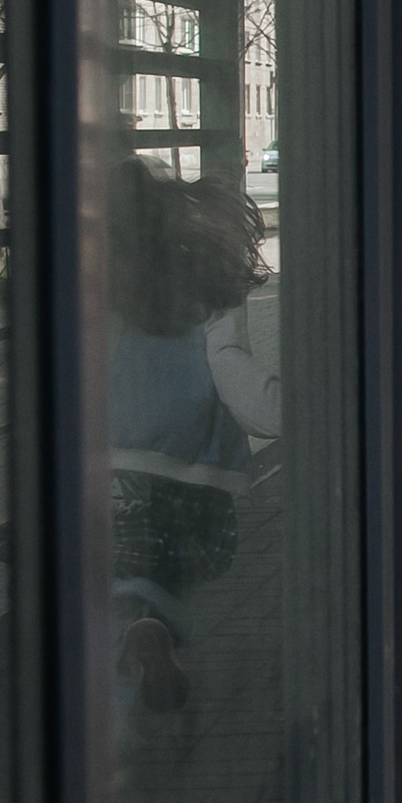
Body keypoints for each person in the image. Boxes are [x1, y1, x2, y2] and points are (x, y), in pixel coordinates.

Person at [109, 157, 282, 713]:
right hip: (197, 482)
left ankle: (138, 629)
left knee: (122, 563)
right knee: (171, 566)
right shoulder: (207, 288)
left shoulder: (93, 292)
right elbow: (233, 375)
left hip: (108, 475)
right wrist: (292, 411)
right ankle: (153, 626)